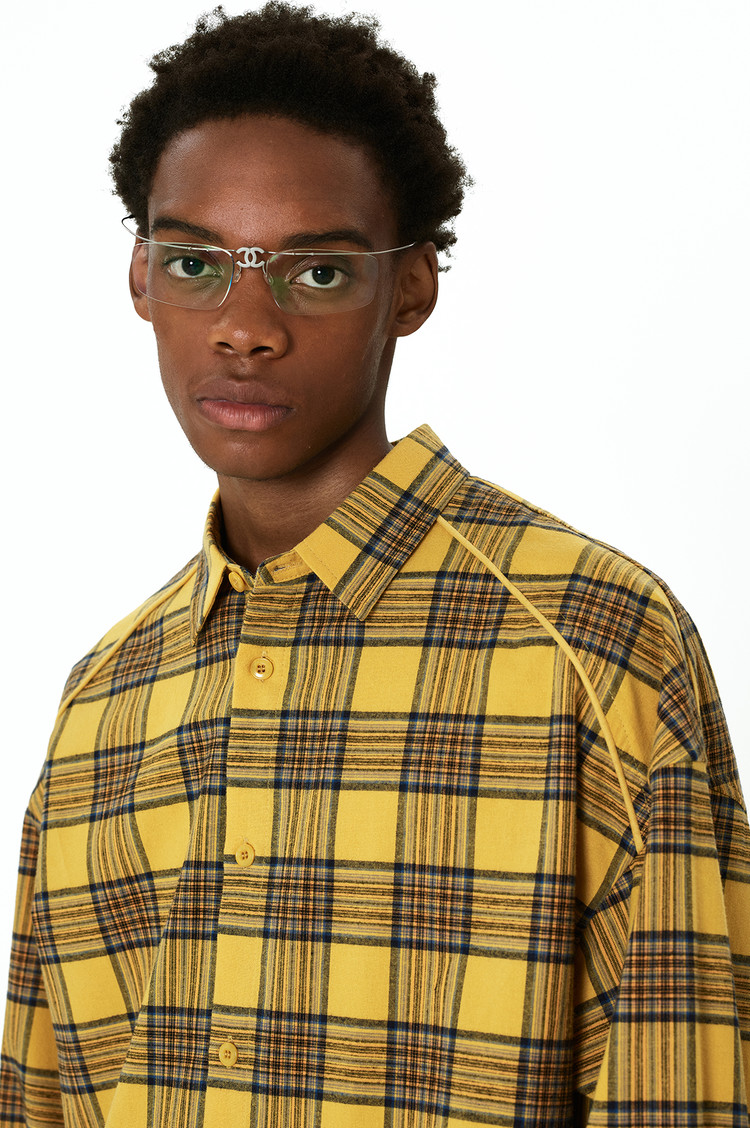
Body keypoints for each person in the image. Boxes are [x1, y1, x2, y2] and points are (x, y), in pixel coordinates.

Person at [1, 3, 748, 1125]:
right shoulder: (103, 704)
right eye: (197, 262)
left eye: (316, 274)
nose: (245, 327)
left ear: (411, 290)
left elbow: (682, 1090)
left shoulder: (593, 644)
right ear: (142, 280)